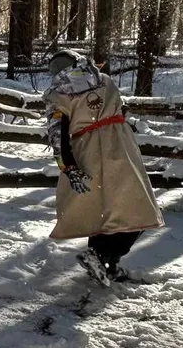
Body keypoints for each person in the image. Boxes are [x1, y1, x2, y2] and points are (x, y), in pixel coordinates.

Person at [44, 49, 164, 285]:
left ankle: (101, 257)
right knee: (135, 207)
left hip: (87, 152)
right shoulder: (104, 80)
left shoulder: (58, 95)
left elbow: (57, 135)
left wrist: (67, 166)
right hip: (120, 148)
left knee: (99, 208)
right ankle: (107, 260)